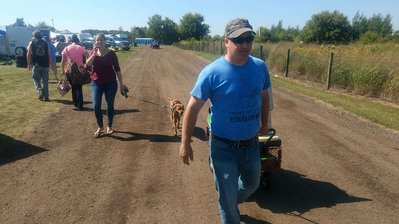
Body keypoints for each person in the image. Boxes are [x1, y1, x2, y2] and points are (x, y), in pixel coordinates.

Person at [179, 18, 271, 224]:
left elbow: (264, 97)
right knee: (229, 208)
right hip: (223, 147)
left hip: (251, 144)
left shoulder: (260, 67)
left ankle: (228, 200)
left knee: (252, 184)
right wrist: (185, 143)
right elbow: (192, 108)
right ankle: (228, 206)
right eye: (239, 40)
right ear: (226, 42)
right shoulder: (212, 73)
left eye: (249, 39)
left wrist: (264, 124)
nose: (245, 44)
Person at [85, 33, 125, 138]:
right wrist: (93, 54)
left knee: (109, 105)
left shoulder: (111, 54)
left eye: (101, 40)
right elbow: (87, 64)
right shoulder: (93, 53)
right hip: (96, 83)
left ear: (105, 41)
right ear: (95, 42)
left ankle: (109, 126)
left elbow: (117, 69)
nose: (99, 42)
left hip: (110, 83)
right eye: (97, 40)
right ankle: (100, 126)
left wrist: (121, 84)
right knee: (96, 105)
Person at [61, 34, 88, 111]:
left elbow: (63, 61)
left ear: (71, 40)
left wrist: (63, 70)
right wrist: (86, 64)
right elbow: (87, 55)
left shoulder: (66, 48)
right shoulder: (81, 48)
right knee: (79, 88)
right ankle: (80, 105)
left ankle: (75, 103)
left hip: (69, 70)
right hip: (80, 70)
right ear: (77, 40)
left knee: (73, 87)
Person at [26, 30, 51, 101]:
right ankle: (46, 96)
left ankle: (40, 90)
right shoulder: (46, 43)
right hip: (45, 64)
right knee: (45, 81)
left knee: (36, 79)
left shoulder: (32, 42)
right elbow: (49, 54)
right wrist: (49, 64)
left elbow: (28, 53)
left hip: (36, 64)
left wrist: (29, 63)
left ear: (34, 36)